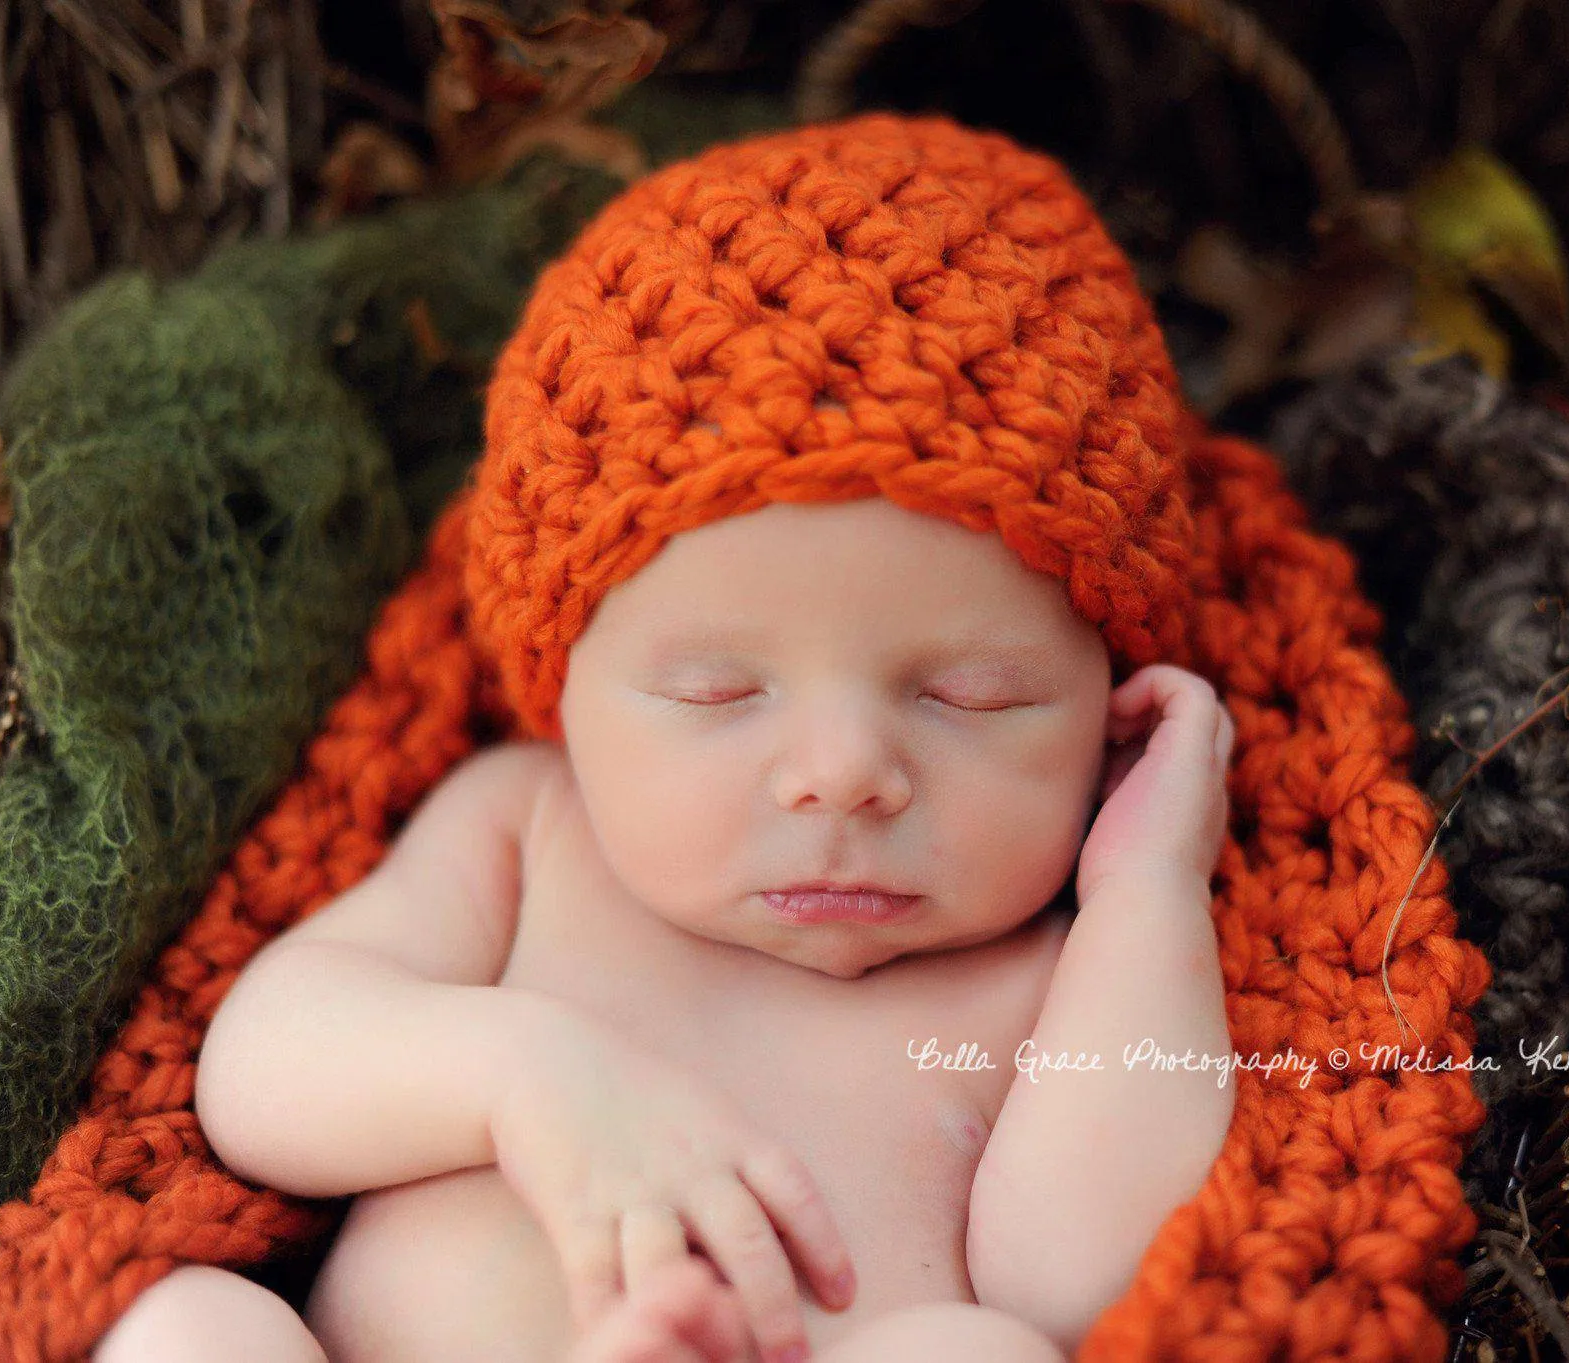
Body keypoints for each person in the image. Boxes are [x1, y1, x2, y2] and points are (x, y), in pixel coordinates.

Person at [91, 110, 1239, 1363]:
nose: (842, 775)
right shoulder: (530, 827)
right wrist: (523, 1074)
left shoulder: (1036, 975)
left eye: (970, 695)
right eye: (713, 692)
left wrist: (1144, 891)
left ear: (1105, 705)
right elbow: (262, 1074)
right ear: (558, 692)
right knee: (185, 1326)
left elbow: (1086, 1282)